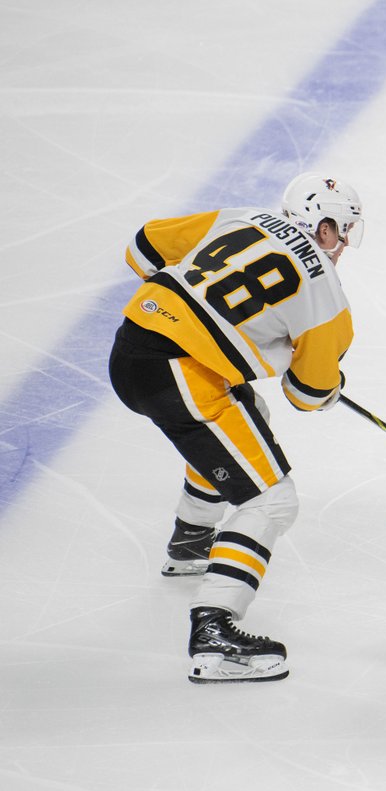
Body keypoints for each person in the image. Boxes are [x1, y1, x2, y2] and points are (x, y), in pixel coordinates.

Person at [108, 173, 365, 683]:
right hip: (179, 376)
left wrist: (191, 312)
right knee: (272, 500)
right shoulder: (329, 297)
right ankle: (214, 630)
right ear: (326, 225)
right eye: (345, 232)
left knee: (251, 419)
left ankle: (191, 543)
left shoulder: (242, 218)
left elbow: (142, 248)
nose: (344, 248)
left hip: (132, 345)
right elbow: (307, 395)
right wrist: (329, 382)